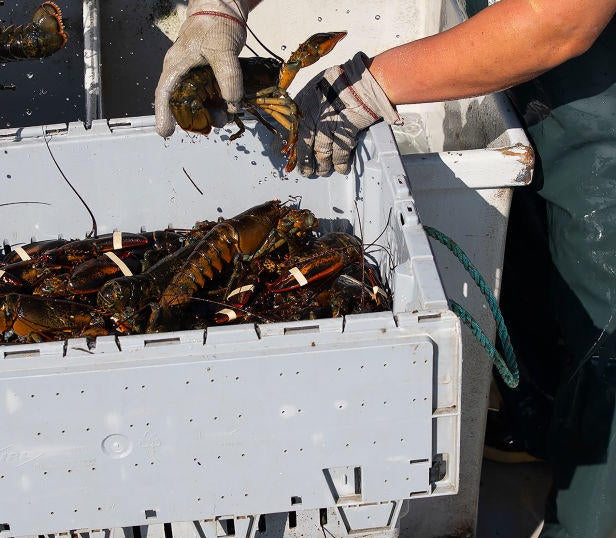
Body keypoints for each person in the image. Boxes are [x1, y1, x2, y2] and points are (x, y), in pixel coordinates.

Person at [155, 1, 616, 536]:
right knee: (538, 240)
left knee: (607, 327)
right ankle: (542, 421)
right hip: (539, 62)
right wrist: (222, 8)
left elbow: (561, 18)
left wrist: (372, 87)